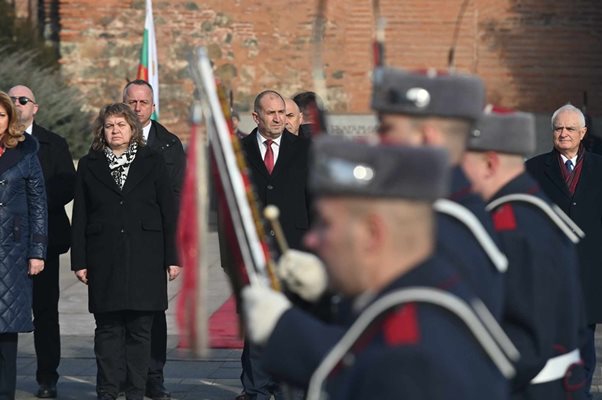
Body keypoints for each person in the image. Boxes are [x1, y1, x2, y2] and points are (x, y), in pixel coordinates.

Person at [243, 137, 510, 399]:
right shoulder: (416, 291)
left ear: (372, 234)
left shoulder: (414, 353)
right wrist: (325, 290)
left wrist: (284, 331)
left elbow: (369, 371)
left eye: (325, 223)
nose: (312, 239)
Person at [463, 108, 586, 399]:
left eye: (464, 162)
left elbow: (527, 338)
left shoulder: (514, 224)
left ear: (489, 163)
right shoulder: (526, 207)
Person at [370, 67, 506, 318]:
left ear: (427, 139)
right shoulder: (436, 214)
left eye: (386, 129)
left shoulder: (440, 229)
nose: (377, 140)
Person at [70, 103, 179, 400]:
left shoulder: (152, 161)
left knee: (141, 330)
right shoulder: (90, 164)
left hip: (146, 255)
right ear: (101, 130)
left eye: (121, 125)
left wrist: (173, 257)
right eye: (109, 125)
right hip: (104, 256)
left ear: (132, 129)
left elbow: (168, 212)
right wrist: (79, 260)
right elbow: (80, 214)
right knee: (107, 328)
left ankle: (135, 391)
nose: (115, 130)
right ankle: (107, 390)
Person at [237, 90, 312, 400]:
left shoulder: (304, 150)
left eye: (283, 112)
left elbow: (315, 200)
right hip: (254, 249)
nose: (279, 118)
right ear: (256, 117)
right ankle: (255, 388)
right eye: (272, 113)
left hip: (293, 246)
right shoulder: (238, 152)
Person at [526, 104, 602, 399]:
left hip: (588, 271)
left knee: (584, 341)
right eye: (558, 128)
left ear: (583, 133)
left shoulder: (599, 168)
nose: (564, 134)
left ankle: (579, 393)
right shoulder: (533, 169)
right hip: (548, 273)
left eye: (571, 129)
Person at [8, 84, 76, 399]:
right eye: (12, 100)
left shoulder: (53, 143)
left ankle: (47, 376)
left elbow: (66, 186)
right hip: (5, 245)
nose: (17, 104)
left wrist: (31, 206)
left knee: (45, 311)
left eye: (24, 100)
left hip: (43, 240)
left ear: (35, 107)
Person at [123, 79, 184, 400]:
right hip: (116, 242)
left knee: (152, 311)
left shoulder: (169, 144)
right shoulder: (107, 141)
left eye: (142, 103)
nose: (137, 108)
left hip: (153, 242)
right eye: (131, 102)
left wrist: (173, 249)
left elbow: (176, 198)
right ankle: (123, 376)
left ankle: (153, 376)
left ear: (152, 106)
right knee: (117, 312)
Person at [0, 91, 48, 400]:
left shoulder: (26, 151)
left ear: (9, 119)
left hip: (11, 252)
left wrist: (37, 252)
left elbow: (38, 204)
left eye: (1, 115)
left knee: (6, 328)